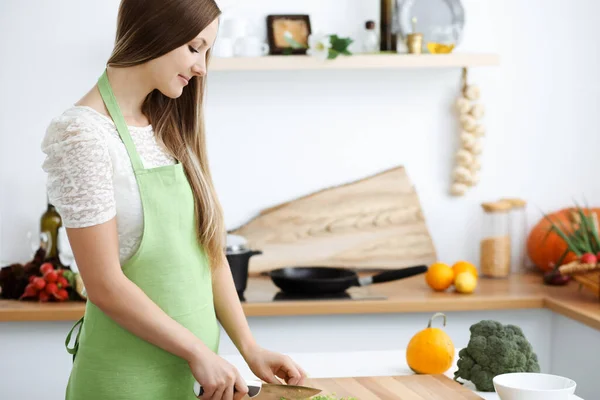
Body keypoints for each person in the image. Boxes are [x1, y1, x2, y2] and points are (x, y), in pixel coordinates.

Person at [40, 0, 306, 399]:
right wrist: (197, 351)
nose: (201, 67)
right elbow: (104, 284)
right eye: (195, 47)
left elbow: (207, 249)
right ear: (155, 30)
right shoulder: (82, 136)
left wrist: (249, 349)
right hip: (124, 382)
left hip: (193, 380)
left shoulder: (168, 127)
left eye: (206, 52)